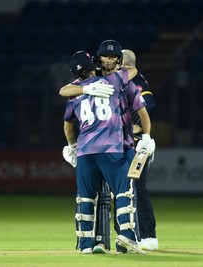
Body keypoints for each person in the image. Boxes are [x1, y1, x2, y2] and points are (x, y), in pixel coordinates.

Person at [60, 40, 154, 254]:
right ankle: (127, 238)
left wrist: (72, 146)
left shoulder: (75, 90)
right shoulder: (116, 80)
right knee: (125, 192)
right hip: (112, 147)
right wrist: (147, 136)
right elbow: (134, 72)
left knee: (86, 197)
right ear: (96, 60)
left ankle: (86, 244)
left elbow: (65, 110)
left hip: (85, 149)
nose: (108, 60)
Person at [121, 49, 159, 251]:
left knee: (138, 189)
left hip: (138, 143)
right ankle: (130, 233)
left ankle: (148, 235)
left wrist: (138, 128)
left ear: (124, 64)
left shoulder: (138, 83)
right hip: (126, 142)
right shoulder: (125, 82)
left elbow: (150, 106)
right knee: (126, 189)